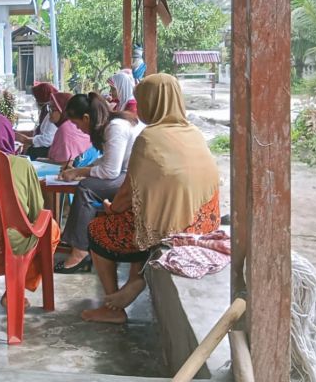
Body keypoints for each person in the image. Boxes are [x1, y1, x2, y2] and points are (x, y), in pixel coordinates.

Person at [83, 74, 221, 324]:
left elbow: (126, 195)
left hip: (171, 230)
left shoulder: (149, 138)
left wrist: (111, 208)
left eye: (142, 100)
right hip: (204, 225)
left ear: (152, 102)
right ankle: (138, 278)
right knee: (146, 214)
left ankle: (113, 308)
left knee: (99, 229)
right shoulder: (194, 133)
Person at [0, 115, 61, 306]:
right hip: (11, 243)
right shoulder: (21, 165)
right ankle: (14, 290)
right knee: (50, 227)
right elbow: (37, 213)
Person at [54, 93, 144, 273]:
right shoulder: (113, 124)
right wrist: (84, 169)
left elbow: (110, 171)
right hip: (129, 174)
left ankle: (79, 252)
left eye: (77, 124)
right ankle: (76, 242)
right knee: (87, 184)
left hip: (138, 179)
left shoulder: (116, 127)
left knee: (86, 188)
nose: (79, 129)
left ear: (86, 118)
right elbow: (107, 161)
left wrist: (80, 172)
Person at [46, 91, 94, 166]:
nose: (49, 113)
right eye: (49, 109)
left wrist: (38, 161)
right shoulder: (72, 124)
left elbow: (65, 165)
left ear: (62, 110)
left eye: (53, 109)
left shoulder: (66, 129)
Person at [17, 82, 58, 159]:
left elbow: (47, 140)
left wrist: (26, 140)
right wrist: (17, 133)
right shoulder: (45, 113)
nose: (35, 101)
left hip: (46, 152)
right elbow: (37, 132)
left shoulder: (52, 115)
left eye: (36, 98)